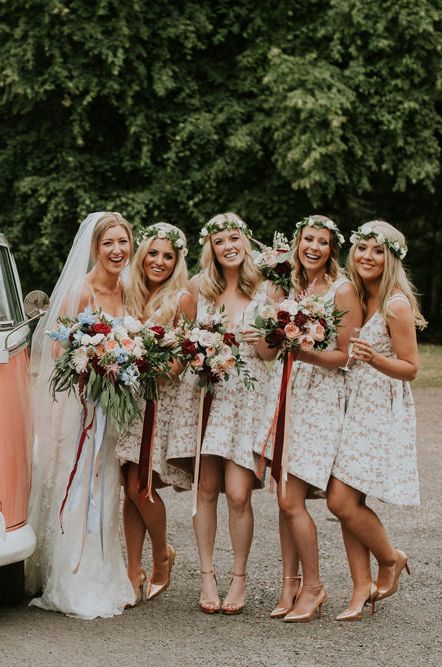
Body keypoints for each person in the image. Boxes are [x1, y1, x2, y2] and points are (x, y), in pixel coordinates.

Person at [166, 212, 281, 615]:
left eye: (234, 238)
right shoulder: (198, 288)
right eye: (219, 241)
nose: (228, 246)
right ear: (210, 248)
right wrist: (197, 352)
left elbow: (270, 355)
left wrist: (265, 336)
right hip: (206, 396)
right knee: (206, 491)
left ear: (246, 242)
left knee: (238, 494)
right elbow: (180, 342)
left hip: (246, 398)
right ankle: (207, 576)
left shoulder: (267, 290)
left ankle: (239, 579)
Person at [26, 211, 135, 619]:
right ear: (94, 248)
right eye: (109, 243)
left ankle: (105, 571)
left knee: (107, 484)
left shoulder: (127, 288)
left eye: (123, 242)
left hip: (113, 407)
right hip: (82, 407)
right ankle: (72, 578)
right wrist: (94, 368)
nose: (117, 250)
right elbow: (57, 354)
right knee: (79, 485)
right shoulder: (80, 291)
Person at [328, 220, 426, 621]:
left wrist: (375, 359)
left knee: (341, 500)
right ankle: (359, 588)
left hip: (378, 412)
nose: (368, 256)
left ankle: (390, 559)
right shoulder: (356, 296)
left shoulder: (395, 304)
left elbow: (412, 368)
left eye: (378, 250)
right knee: (350, 502)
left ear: (392, 258)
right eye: (362, 248)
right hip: (351, 408)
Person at [270, 215, 361, 623]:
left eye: (323, 242)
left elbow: (348, 355)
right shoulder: (295, 287)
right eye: (308, 239)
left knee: (291, 499)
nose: (314, 247)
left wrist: (304, 353)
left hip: (322, 399)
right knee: (283, 497)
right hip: (290, 392)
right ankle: (290, 583)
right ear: (298, 242)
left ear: (332, 250)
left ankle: (314, 586)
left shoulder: (341, 290)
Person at [115, 222, 196, 604]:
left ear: (177, 261)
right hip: (130, 401)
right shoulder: (127, 292)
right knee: (129, 488)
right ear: (142, 254)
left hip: (158, 404)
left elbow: (180, 363)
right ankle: (133, 572)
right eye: (153, 253)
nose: (159, 261)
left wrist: (143, 361)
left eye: (168, 255)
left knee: (139, 486)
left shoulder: (182, 299)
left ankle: (162, 553)